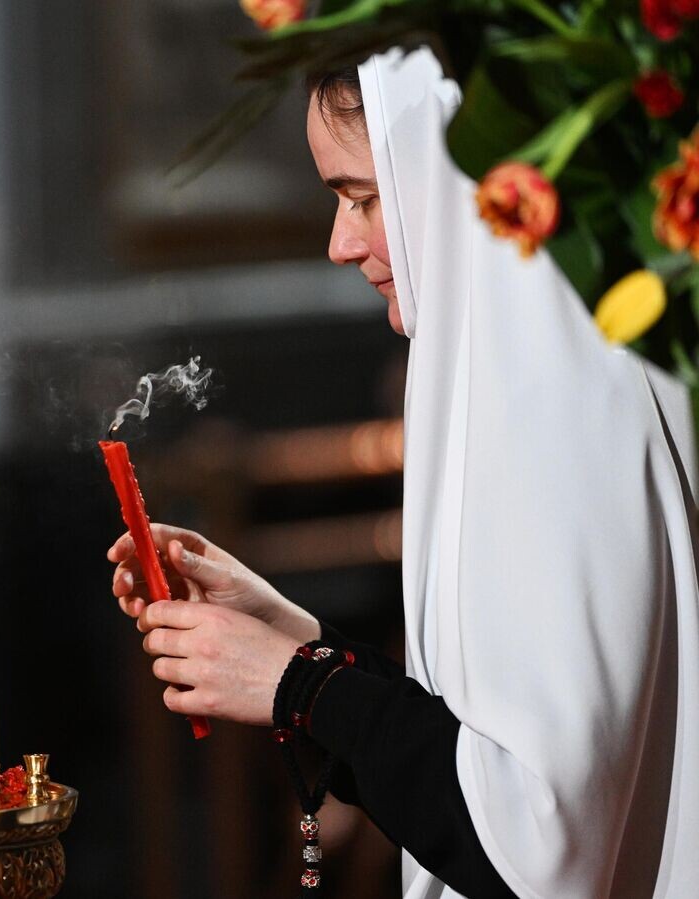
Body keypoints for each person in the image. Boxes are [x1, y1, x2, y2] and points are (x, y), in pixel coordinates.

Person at [107, 48, 699, 898]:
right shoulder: (536, 355)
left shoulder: (550, 392)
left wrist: (294, 682)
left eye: (362, 197)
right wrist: (293, 638)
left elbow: (537, 847)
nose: (340, 243)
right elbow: (483, 752)